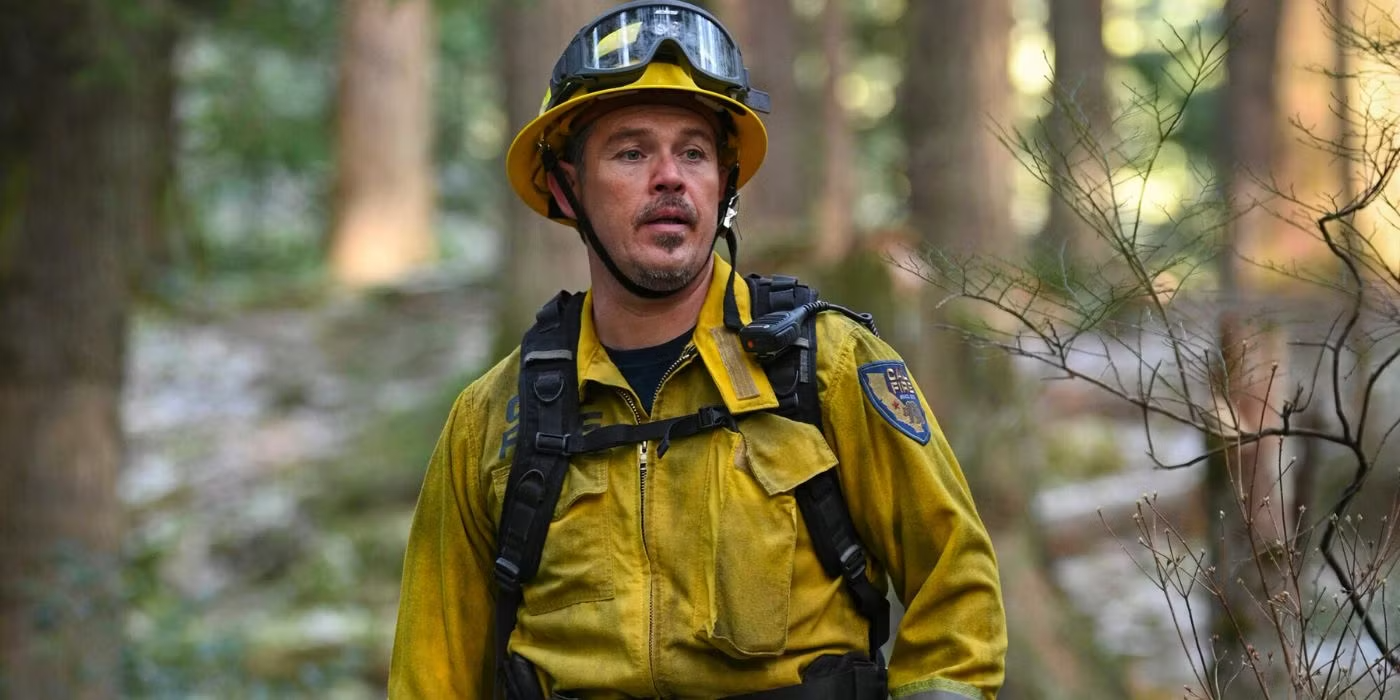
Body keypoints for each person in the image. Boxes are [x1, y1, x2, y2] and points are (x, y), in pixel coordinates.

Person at [388, 2, 1007, 698]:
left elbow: (957, 590)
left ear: (724, 184)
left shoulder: (827, 366)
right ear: (566, 186)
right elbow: (430, 674)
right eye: (631, 152)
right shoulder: (492, 420)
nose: (670, 177)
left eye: (694, 152)